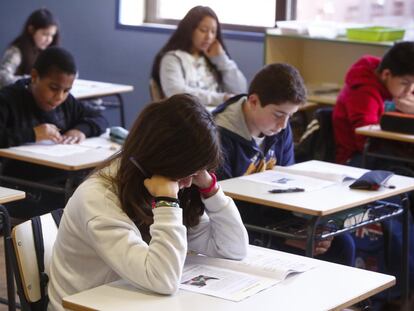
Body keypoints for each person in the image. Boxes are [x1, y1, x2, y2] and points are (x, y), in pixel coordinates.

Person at [48, 94, 249, 310]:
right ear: (163, 159)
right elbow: (163, 279)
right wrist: (167, 204)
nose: (189, 183)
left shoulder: (162, 182)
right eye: (187, 172)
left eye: (197, 173)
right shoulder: (99, 199)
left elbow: (233, 250)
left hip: (131, 300)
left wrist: (210, 189)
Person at [213, 63, 355, 266]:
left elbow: (286, 184)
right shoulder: (219, 137)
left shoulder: (278, 129)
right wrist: (283, 237)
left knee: (340, 243)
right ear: (253, 101)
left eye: (290, 116)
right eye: (279, 115)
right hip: (239, 226)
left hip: (273, 216)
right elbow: (219, 205)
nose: (283, 125)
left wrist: (305, 227)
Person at [0, 46, 108, 218]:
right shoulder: (9, 99)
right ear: (34, 77)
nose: (59, 97)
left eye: (66, 90)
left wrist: (80, 130)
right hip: (21, 183)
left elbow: (99, 118)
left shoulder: (66, 103)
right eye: (53, 87)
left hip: (60, 178)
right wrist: (32, 134)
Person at [333, 41, 414, 166]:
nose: (410, 90)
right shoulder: (364, 93)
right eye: (405, 83)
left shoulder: (396, 86)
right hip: (358, 158)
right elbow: (368, 141)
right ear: (386, 74)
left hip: (391, 152)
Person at [151, 6, 247, 106]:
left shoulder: (213, 59)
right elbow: (176, 93)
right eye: (203, 30)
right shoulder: (172, 59)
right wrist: (221, 98)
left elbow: (240, 91)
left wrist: (221, 59)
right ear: (189, 30)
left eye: (213, 32)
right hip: (189, 117)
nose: (209, 37)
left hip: (218, 116)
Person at [0, 8, 59, 88]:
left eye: (52, 35)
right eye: (45, 34)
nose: (49, 40)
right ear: (31, 30)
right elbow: (2, 77)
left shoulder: (47, 51)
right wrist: (31, 80)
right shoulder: (16, 51)